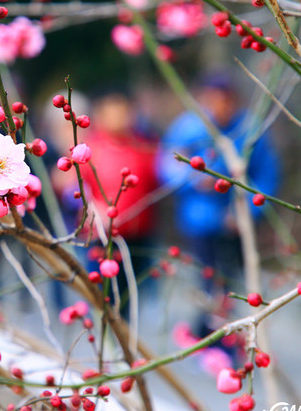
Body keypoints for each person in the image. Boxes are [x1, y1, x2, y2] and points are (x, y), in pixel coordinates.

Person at [158, 73, 280, 336]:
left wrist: (246, 209)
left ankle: (224, 335)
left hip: (236, 222)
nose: (220, 107)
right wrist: (192, 178)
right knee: (208, 280)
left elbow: (266, 176)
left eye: (226, 101)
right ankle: (206, 335)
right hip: (200, 221)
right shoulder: (188, 127)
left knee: (233, 282)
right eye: (213, 100)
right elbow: (166, 165)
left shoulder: (249, 129)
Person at [79, 90, 160, 318]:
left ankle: (125, 341)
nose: (120, 118)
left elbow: (156, 181)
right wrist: (91, 209)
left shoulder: (144, 146)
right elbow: (72, 187)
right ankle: (109, 341)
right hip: (102, 237)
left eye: (124, 112)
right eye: (113, 112)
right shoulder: (88, 150)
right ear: (101, 115)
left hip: (139, 233)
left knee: (131, 295)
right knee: (105, 297)